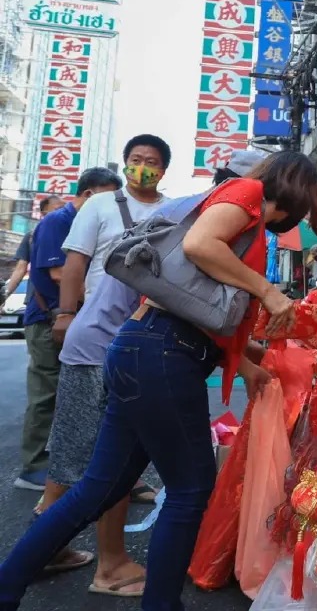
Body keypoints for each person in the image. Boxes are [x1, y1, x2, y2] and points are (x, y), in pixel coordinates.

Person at [0, 151, 317, 611]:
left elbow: (203, 309)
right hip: (163, 351)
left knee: (99, 489)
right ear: (297, 193)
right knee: (190, 489)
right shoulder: (247, 192)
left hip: (146, 347)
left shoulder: (242, 212)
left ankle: (7, 585)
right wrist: (268, 291)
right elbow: (199, 245)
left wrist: (246, 363)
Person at [39, 136, 173, 599]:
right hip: (97, 336)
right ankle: (106, 564)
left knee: (98, 454)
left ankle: (48, 548)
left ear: (163, 170)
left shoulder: (172, 210)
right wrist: (65, 313)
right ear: (125, 163)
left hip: (136, 339)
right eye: (136, 160)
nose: (143, 168)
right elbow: (74, 264)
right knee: (92, 453)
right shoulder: (98, 206)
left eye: (151, 162)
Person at [17, 168, 123, 496]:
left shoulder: (89, 222)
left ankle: (77, 468)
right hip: (49, 320)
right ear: (89, 194)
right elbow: (61, 273)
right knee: (46, 394)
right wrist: (97, 298)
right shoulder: (57, 221)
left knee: (83, 398)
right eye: (109, 197)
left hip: (80, 321)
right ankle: (34, 467)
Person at [4, 197, 65, 301]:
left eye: (64, 210)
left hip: (64, 300)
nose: (62, 213)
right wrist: (5, 295)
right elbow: (20, 269)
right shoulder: (31, 237)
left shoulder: (69, 236)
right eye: (58, 209)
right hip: (36, 301)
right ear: (43, 213)